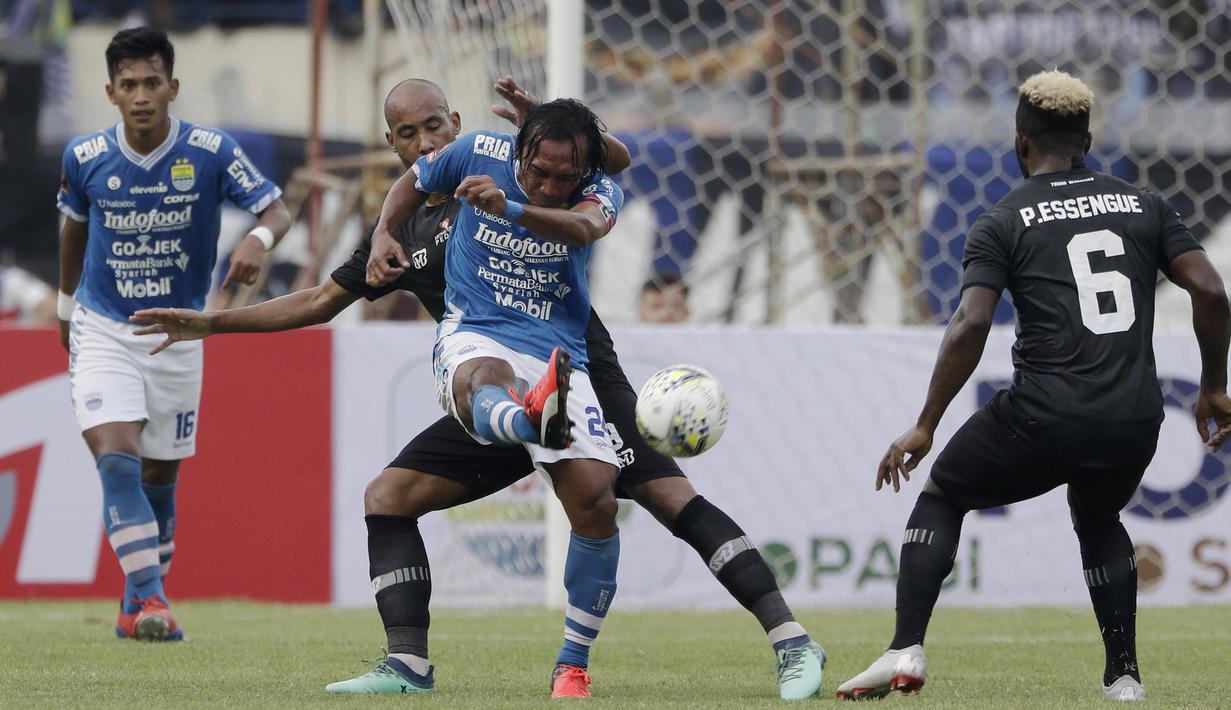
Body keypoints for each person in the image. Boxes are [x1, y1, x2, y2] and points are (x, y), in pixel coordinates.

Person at [133, 77, 824, 700]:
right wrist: (214, 323)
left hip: (578, 367)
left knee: (666, 499)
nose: (425, 141)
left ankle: (790, 641)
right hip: (490, 382)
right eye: (408, 133)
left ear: (456, 124)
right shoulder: (401, 232)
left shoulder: (507, 167)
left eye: (434, 125)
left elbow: (607, 166)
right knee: (388, 497)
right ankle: (407, 663)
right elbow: (316, 302)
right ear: (393, 144)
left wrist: (541, 127)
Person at [835, 70, 1231, 702]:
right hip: (1134, 417)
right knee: (1099, 516)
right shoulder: (1145, 205)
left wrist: (927, 423)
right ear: (1088, 142)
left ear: (1020, 143)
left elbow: (971, 322)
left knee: (943, 494)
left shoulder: (1002, 220)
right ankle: (1124, 676)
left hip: (1045, 414)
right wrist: (1213, 386)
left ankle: (905, 647)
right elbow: (1210, 290)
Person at [56, 27, 290, 641]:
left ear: (173, 87)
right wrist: (64, 307)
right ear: (111, 92)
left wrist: (257, 239)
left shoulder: (211, 151)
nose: (141, 95)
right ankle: (155, 600)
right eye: (128, 84)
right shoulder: (84, 156)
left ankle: (132, 608)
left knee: (159, 478)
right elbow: (73, 230)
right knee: (117, 460)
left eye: (151, 83)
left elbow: (277, 209)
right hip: (105, 327)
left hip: (179, 336)